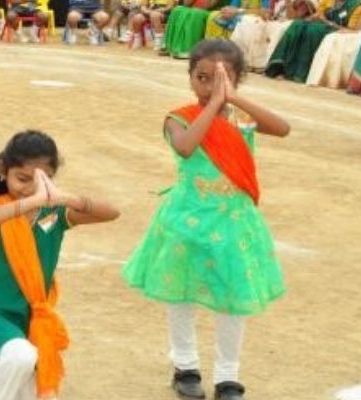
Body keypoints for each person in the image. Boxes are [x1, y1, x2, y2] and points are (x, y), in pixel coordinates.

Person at [122, 39, 290, 400]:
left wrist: (234, 99)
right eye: (202, 77)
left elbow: (282, 128)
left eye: (221, 78)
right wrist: (215, 103)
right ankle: (186, 367)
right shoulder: (178, 118)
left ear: (237, 79)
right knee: (179, 292)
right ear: (190, 78)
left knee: (232, 296)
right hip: (187, 220)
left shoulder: (242, 118)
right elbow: (185, 147)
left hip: (232, 221)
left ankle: (228, 376)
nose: (210, 85)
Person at [0, 130, 119, 400]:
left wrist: (66, 198)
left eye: (40, 180)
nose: (29, 187)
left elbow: (112, 213)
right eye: (22, 179)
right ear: (3, 170)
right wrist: (31, 202)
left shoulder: (54, 214)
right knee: (21, 356)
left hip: (27, 317)